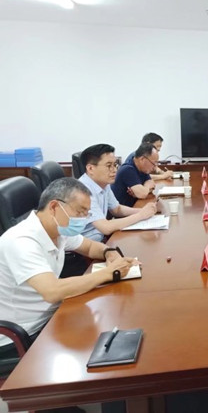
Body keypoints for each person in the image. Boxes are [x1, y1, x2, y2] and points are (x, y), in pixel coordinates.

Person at [0, 178, 137, 351]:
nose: (84, 219)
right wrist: (109, 272)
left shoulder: (57, 229)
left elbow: (90, 246)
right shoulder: (21, 241)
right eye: (80, 212)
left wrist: (109, 253)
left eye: (86, 213)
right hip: (23, 334)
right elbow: (52, 291)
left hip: (54, 313)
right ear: (54, 207)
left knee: (118, 323)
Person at [79, 144, 157, 242]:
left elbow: (117, 209)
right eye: (109, 166)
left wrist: (143, 211)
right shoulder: (82, 191)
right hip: (84, 246)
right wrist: (141, 215)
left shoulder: (103, 183)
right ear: (90, 168)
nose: (115, 170)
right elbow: (106, 227)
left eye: (115, 165)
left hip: (100, 239)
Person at [111, 143, 158, 207]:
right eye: (154, 163)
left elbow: (152, 184)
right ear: (142, 159)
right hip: (121, 210)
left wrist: (144, 189)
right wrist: (146, 188)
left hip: (134, 205)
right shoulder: (127, 169)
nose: (155, 167)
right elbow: (142, 194)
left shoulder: (143, 169)